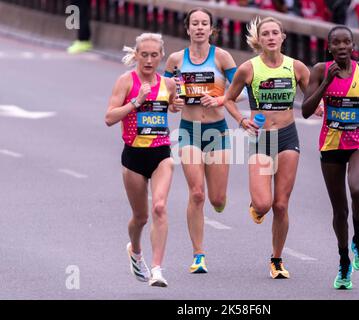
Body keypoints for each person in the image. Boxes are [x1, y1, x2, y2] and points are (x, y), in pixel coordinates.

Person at [302, 26, 359, 289]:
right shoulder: (320, 70)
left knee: (358, 188)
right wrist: (327, 84)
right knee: (340, 211)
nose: (342, 47)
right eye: (336, 43)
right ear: (329, 47)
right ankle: (344, 261)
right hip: (331, 144)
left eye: (347, 42)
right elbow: (307, 110)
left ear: (353, 46)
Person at [224, 16, 310, 279]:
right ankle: (257, 207)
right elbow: (227, 99)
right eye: (266, 34)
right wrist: (241, 120)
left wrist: (319, 107)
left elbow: (313, 96)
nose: (271, 37)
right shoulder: (248, 69)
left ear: (283, 37)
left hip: (287, 137)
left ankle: (276, 259)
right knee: (264, 204)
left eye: (275, 33)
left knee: (281, 205)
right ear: (259, 40)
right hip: (260, 139)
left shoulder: (296, 68)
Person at [164, 8, 240, 274]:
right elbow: (164, 97)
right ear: (187, 29)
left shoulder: (222, 57)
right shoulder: (175, 59)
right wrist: (174, 103)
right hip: (189, 131)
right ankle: (198, 254)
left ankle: (220, 201)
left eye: (204, 23)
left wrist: (220, 99)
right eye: (194, 23)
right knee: (197, 193)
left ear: (211, 29)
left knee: (217, 199)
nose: (199, 28)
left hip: (217, 131)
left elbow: (240, 91)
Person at [105, 32, 184, 287]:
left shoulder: (168, 84)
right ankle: (136, 251)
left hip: (161, 153)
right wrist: (136, 103)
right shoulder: (126, 82)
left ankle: (158, 269)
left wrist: (175, 105)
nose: (149, 60)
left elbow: (172, 104)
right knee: (140, 217)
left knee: (160, 207)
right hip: (134, 156)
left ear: (162, 56)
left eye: (154, 55)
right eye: (144, 55)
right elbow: (109, 118)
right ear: (136, 55)